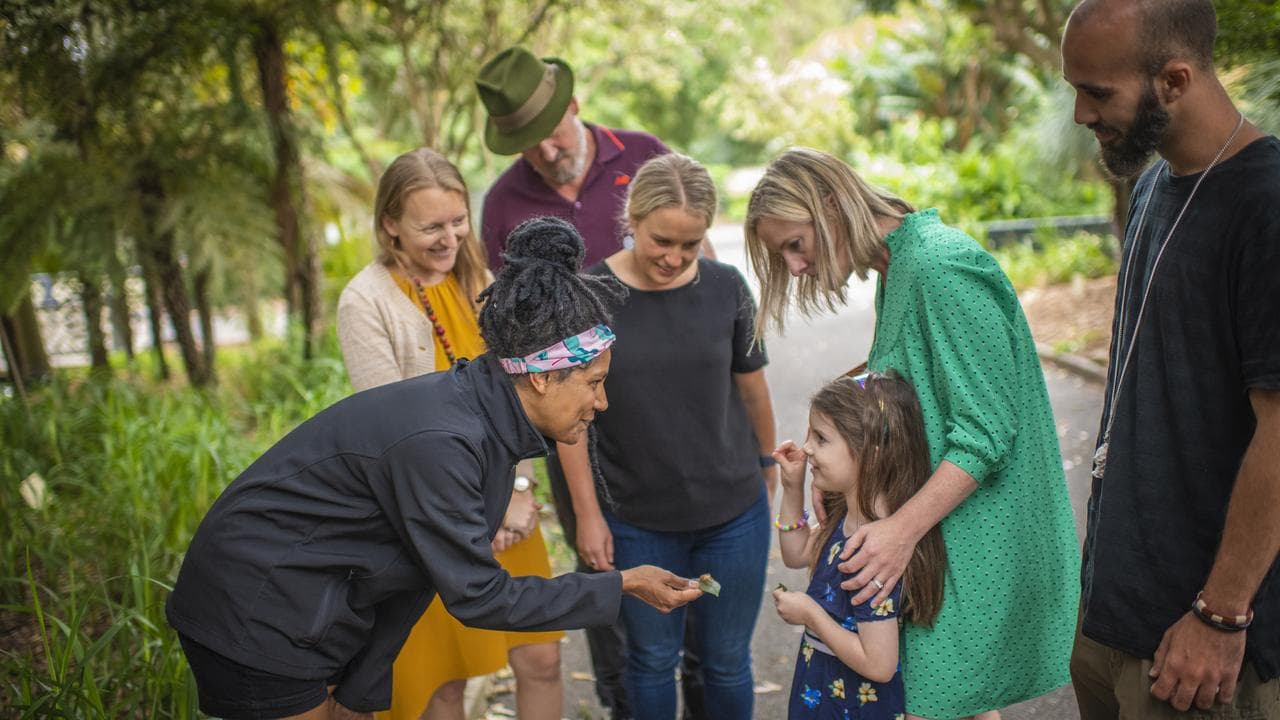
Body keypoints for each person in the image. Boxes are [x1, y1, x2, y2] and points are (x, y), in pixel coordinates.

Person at [165, 217, 704, 720]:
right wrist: (622, 584)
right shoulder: (445, 440)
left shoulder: (485, 417)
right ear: (542, 377)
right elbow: (479, 595)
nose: (602, 402)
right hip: (255, 606)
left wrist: (360, 691)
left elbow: (412, 577)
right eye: (593, 382)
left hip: (319, 603)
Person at [744, 148, 1080, 719]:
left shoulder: (937, 266)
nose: (796, 267)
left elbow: (986, 430)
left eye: (795, 244)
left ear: (829, 204)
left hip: (971, 545)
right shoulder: (897, 269)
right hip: (938, 546)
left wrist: (900, 530)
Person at [475, 45, 710, 719]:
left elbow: (700, 267)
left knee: (695, 588)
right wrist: (580, 507)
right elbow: (512, 337)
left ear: (573, 106)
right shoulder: (502, 205)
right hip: (578, 427)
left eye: (550, 130)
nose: (544, 150)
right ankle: (623, 706)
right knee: (603, 566)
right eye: (525, 142)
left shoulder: (642, 154)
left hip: (673, 416)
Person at [1061, 1, 1280, 717]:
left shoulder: (1266, 206)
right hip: (1115, 619)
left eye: (1097, 93)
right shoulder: (1156, 183)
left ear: (1175, 80)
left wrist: (1221, 615)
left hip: (1201, 646)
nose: (1079, 115)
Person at [335, 148, 563, 720]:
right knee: (444, 683)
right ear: (390, 223)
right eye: (430, 226)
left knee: (541, 658)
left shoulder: (480, 279)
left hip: (508, 508)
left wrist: (518, 493)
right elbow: (392, 433)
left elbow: (526, 395)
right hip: (431, 520)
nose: (449, 237)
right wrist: (465, 522)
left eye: (457, 221)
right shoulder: (366, 301)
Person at [555, 153, 776, 719]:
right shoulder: (588, 296)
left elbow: (752, 389)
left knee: (726, 660)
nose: (674, 258)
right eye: (662, 241)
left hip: (732, 518)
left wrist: (768, 466)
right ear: (632, 217)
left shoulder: (728, 287)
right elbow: (571, 422)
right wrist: (588, 515)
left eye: (690, 243)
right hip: (636, 522)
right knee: (652, 660)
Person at [772, 371, 946, 719]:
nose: (807, 448)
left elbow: (879, 663)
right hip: (825, 695)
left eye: (821, 438)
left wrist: (810, 614)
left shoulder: (874, 548)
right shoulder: (847, 517)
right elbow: (796, 554)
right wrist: (792, 489)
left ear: (871, 453)